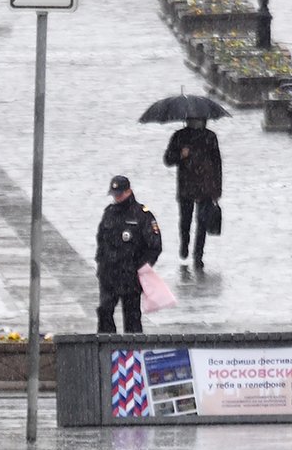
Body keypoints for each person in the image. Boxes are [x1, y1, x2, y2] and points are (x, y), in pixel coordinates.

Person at [94, 175, 163, 333]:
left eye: (120, 194)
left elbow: (154, 246)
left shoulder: (142, 215)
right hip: (109, 276)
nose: (117, 198)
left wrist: (140, 268)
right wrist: (102, 265)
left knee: (132, 318)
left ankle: (133, 352)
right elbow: (101, 241)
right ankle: (107, 349)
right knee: (104, 311)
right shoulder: (109, 213)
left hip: (130, 277)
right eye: (114, 195)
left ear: (129, 191)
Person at [162, 117, 221, 272]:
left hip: (206, 186)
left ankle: (198, 254)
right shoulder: (180, 136)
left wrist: (217, 189)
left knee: (202, 221)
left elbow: (217, 163)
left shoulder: (210, 137)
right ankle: (185, 245)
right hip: (186, 185)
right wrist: (181, 155)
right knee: (185, 220)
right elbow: (168, 159)